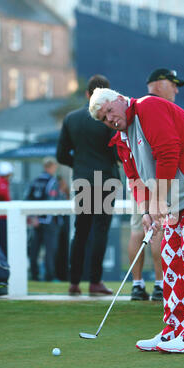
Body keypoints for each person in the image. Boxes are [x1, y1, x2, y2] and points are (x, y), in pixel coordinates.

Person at [89, 88, 184, 354]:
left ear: (119, 99)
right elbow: (136, 180)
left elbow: (168, 153)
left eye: (109, 111)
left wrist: (158, 202)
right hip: (177, 197)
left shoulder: (149, 107)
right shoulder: (122, 140)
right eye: (104, 119)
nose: (110, 119)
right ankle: (174, 329)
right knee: (172, 259)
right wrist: (146, 211)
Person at [126, 68, 184, 301]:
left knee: (139, 228)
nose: (176, 89)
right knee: (157, 228)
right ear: (160, 84)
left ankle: (137, 285)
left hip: (138, 176)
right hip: (156, 175)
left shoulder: (137, 110)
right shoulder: (156, 109)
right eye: (173, 84)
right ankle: (161, 285)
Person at [56, 74, 120, 296]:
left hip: (83, 179)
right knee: (101, 230)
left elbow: (61, 155)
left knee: (80, 231)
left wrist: (80, 164)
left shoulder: (71, 119)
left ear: (87, 94)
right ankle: (95, 281)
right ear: (108, 94)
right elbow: (117, 152)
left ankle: (74, 283)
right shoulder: (109, 119)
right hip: (106, 179)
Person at [25, 157, 61, 282]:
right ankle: (49, 276)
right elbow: (52, 203)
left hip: (35, 221)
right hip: (48, 221)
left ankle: (34, 275)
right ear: (50, 167)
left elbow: (27, 199)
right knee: (49, 251)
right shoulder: (52, 181)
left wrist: (32, 217)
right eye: (54, 167)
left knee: (34, 249)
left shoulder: (35, 181)